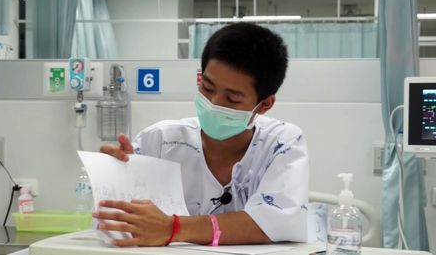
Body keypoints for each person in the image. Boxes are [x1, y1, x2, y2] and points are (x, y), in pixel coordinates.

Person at [93, 22, 309, 247]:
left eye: (232, 99)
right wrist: (115, 175)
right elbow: (115, 223)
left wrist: (174, 228)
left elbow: (277, 223)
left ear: (265, 104)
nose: (214, 103)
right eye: (207, 88)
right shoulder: (159, 141)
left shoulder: (281, 143)